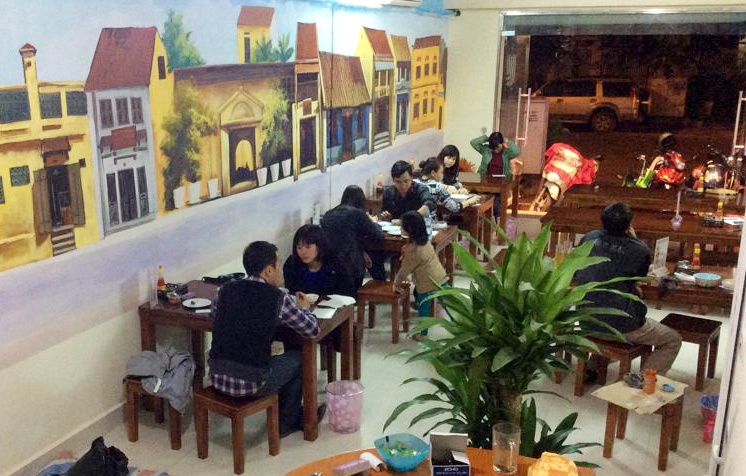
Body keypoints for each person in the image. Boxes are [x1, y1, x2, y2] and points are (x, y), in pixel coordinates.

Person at [208, 241, 323, 438]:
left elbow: (214, 313)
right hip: (252, 382)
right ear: (268, 270)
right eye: (278, 265)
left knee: (273, 358)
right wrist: (304, 309)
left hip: (216, 376)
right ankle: (287, 421)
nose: (280, 270)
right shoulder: (277, 297)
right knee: (299, 357)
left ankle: (288, 414)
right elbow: (312, 330)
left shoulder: (225, 289)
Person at [574, 202, 682, 375]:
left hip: (585, 318)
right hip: (621, 325)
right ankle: (642, 381)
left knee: (605, 307)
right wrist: (633, 239)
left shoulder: (589, 237)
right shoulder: (638, 249)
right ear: (629, 224)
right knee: (672, 340)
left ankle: (594, 367)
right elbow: (638, 278)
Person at [373, 161, 436, 280]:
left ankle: (421, 287)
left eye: (406, 181)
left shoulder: (420, 189)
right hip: (395, 235)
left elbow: (430, 203)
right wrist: (386, 216)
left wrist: (414, 217)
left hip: (415, 235)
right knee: (374, 252)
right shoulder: (389, 193)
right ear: (393, 180)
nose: (403, 186)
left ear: (412, 177)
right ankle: (382, 284)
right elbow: (385, 213)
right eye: (398, 182)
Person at [394, 211, 449, 340]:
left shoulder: (414, 250)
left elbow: (404, 270)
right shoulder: (425, 242)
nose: (400, 228)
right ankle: (461, 324)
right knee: (450, 304)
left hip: (426, 282)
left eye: (402, 226)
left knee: (423, 307)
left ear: (410, 229)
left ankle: (423, 334)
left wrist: (396, 284)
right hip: (439, 276)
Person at [320, 185, 384, 296]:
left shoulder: (328, 214)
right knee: (376, 255)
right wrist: (377, 224)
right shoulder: (357, 214)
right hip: (352, 266)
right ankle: (381, 286)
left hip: (329, 264)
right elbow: (377, 235)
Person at [470, 130, 522, 223]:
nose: (495, 150)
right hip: (486, 181)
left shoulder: (507, 153)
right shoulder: (486, 150)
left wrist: (507, 141)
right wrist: (486, 138)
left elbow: (517, 151)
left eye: (497, 147)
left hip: (501, 182)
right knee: (480, 203)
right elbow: (473, 143)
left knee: (497, 206)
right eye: (493, 148)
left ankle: (497, 225)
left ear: (501, 143)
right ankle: (483, 223)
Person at [283, 224, 345, 297]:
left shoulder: (335, 262)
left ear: (319, 246)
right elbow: (292, 294)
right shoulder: (291, 265)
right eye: (299, 247)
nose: (303, 252)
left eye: (308, 247)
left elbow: (345, 294)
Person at [416, 156, 479, 222]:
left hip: (412, 220)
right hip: (428, 223)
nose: (443, 175)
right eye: (441, 172)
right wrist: (469, 201)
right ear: (433, 173)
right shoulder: (437, 186)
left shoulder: (414, 182)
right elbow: (454, 207)